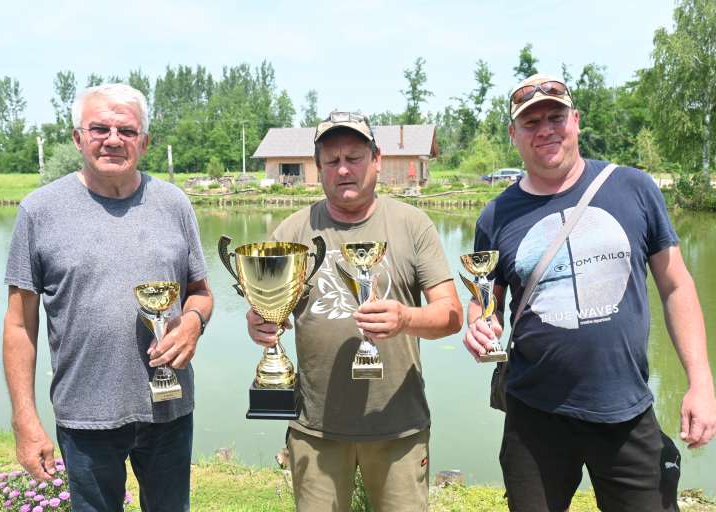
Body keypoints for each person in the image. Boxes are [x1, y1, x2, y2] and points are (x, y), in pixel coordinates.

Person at [463, 73, 716, 512]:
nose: (545, 129)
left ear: (576, 120)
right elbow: (486, 301)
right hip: (533, 413)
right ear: (513, 134)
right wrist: (477, 327)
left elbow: (676, 285)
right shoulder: (496, 215)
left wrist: (701, 381)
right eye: (531, 122)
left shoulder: (634, 188)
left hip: (625, 410)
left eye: (556, 117)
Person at [3, 83, 213, 512]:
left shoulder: (174, 204)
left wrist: (192, 323)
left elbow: (201, 294)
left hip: (169, 411)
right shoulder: (39, 211)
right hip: (85, 416)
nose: (113, 139)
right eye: (100, 128)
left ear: (145, 142)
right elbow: (19, 325)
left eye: (127, 130)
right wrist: (25, 420)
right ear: (78, 137)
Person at [247, 111, 463, 511]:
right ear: (318, 167)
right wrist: (261, 322)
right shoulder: (293, 230)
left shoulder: (412, 224)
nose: (343, 169)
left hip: (398, 425)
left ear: (376, 159)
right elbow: (266, 308)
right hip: (315, 428)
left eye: (354, 157)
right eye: (332, 160)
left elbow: (451, 315)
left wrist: (406, 319)